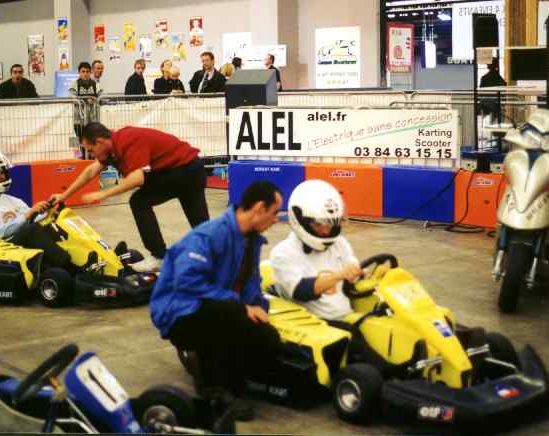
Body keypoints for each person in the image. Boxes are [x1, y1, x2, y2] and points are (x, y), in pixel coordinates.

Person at [150, 181, 284, 421]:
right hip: (179, 313)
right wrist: (241, 307)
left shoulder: (251, 241)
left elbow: (252, 289)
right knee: (230, 311)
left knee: (270, 341)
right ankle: (213, 389)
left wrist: (260, 311)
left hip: (219, 309)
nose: (276, 220)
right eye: (275, 213)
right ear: (260, 208)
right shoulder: (209, 235)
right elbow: (187, 282)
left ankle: (213, 363)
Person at [49, 122, 210, 272]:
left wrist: (103, 194)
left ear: (99, 142)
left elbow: (137, 179)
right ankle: (220, 255)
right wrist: (63, 196)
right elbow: (90, 171)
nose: (91, 155)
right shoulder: (110, 148)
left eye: (90, 150)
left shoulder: (129, 140)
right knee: (201, 225)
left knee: (139, 201)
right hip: (190, 170)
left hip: (185, 171)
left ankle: (159, 256)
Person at [0, 149, 74, 272]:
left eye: (3, 172)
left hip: (16, 249)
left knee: (49, 227)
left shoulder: (11, 200)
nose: (2, 176)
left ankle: (73, 261)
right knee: (31, 231)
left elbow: (32, 219)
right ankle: (70, 267)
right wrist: (28, 214)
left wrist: (49, 212)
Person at [269, 180, 361, 322]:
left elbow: (354, 274)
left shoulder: (339, 244)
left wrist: (370, 274)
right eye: (318, 224)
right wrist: (339, 275)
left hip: (347, 318)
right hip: (317, 326)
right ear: (299, 219)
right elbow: (300, 291)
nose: (325, 230)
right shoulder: (282, 253)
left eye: (330, 223)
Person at [69, 62, 98, 142]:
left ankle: (88, 154)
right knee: (75, 139)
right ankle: (76, 154)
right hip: (77, 118)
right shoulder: (74, 84)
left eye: (87, 71)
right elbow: (72, 98)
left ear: (90, 72)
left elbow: (100, 97)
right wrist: (86, 100)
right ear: (79, 72)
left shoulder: (95, 83)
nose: (85, 74)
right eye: (83, 71)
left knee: (90, 140)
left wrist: (95, 99)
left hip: (92, 119)